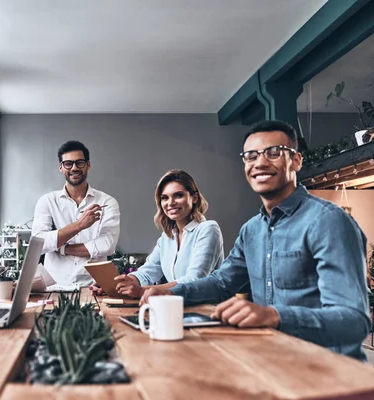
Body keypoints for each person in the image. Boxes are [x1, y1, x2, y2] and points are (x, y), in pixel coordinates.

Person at [141, 120, 369, 361]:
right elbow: (221, 284)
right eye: (251, 156)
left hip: (329, 370)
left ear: (297, 161)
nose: (260, 162)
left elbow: (354, 322)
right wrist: (172, 294)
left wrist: (274, 316)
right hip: (272, 359)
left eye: (274, 153)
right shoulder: (252, 230)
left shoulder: (329, 222)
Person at [114, 170, 223, 298]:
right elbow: (147, 272)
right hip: (176, 306)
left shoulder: (208, 229)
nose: (170, 203)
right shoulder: (167, 237)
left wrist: (143, 291)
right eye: (164, 198)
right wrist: (120, 284)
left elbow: (194, 280)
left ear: (194, 198)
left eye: (178, 195)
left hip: (207, 308)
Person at [32, 140, 120, 286]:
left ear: (88, 165)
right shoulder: (47, 201)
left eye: (79, 163)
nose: (74, 168)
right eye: (68, 163)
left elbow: (107, 245)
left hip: (93, 285)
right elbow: (39, 244)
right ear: (61, 167)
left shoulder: (107, 202)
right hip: (54, 286)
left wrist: (61, 248)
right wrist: (79, 225)